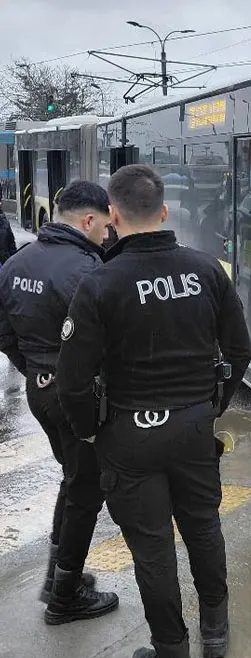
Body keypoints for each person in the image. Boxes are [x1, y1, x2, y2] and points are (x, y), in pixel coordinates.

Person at [56, 164, 251, 658]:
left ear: (113, 216)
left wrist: (91, 432)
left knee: (152, 550)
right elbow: (239, 353)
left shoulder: (99, 283)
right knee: (203, 527)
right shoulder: (206, 270)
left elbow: (73, 382)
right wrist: (212, 406)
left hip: (128, 433)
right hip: (193, 426)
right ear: (164, 211)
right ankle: (216, 633)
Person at [0, 181, 118, 622]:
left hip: (39, 391)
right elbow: (109, 345)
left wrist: (34, 366)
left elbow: (3, 331)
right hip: (78, 396)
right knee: (86, 489)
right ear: (88, 220)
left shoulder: (17, 262)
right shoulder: (88, 272)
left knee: (73, 479)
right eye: (105, 227)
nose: (107, 236)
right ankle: (65, 596)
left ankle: (59, 576)